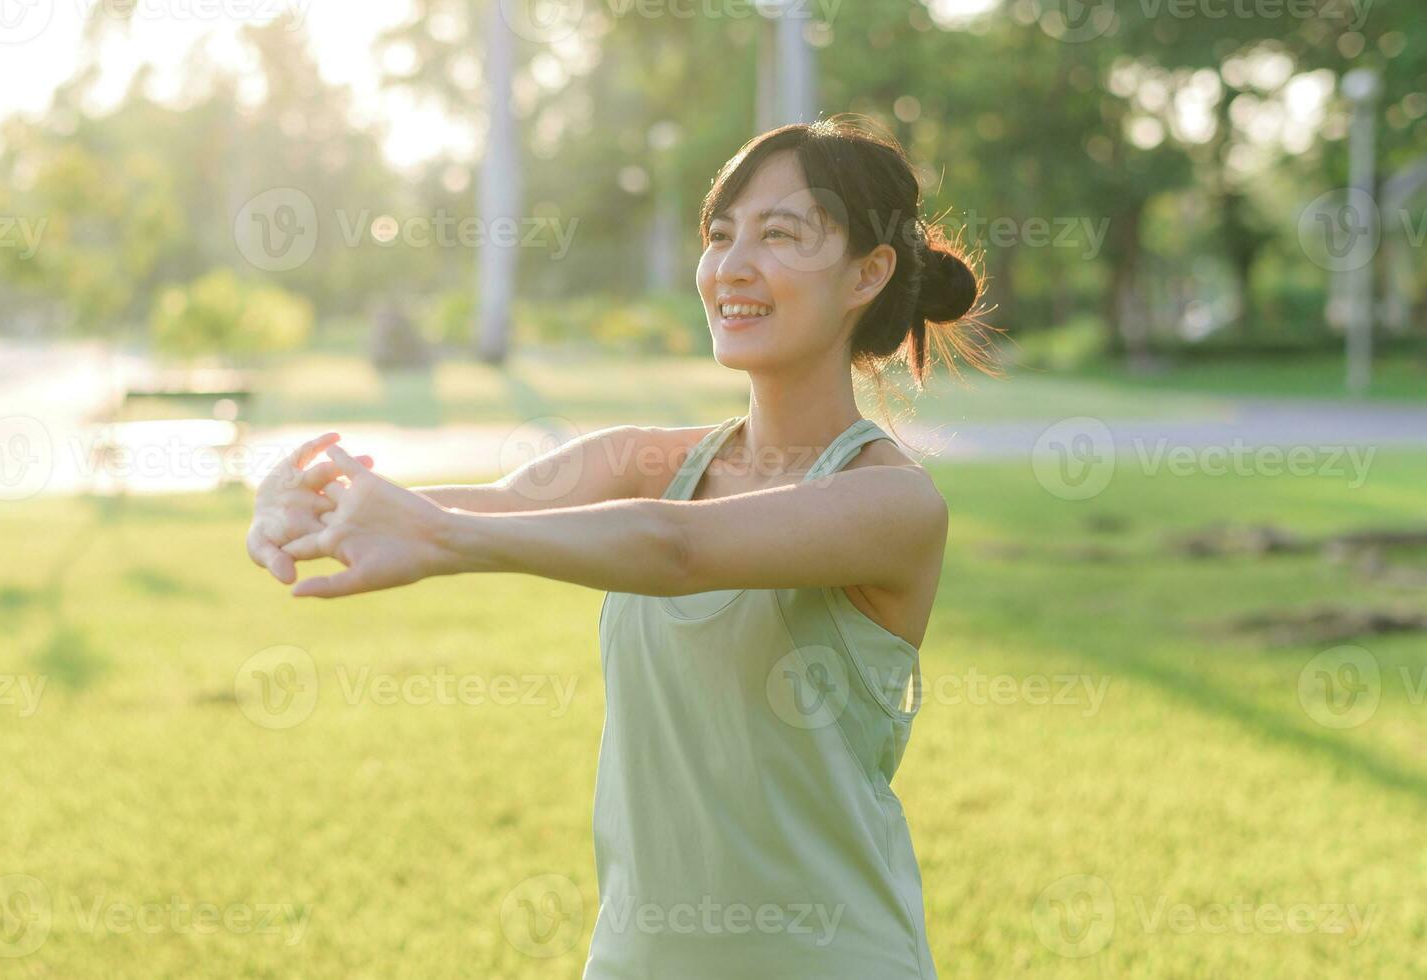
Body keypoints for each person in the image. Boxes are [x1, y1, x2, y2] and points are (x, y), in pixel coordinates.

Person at [246, 116, 1002, 978]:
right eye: (720, 236)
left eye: (779, 235)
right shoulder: (640, 461)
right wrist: (300, 505)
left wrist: (438, 539)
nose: (731, 266)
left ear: (868, 273)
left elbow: (673, 549)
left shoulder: (890, 503)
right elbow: (471, 503)